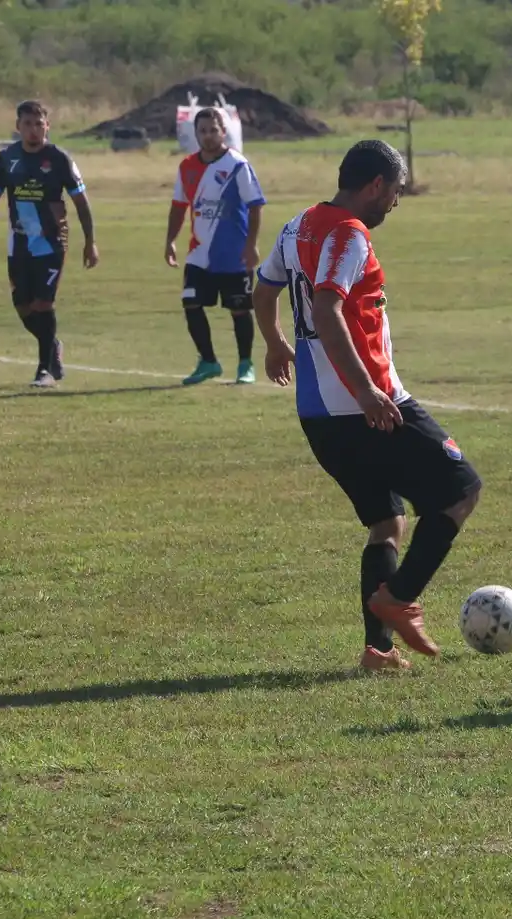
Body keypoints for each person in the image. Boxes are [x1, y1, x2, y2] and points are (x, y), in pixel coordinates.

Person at [251, 140, 481, 671]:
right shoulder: (349, 234)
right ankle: (398, 599)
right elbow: (329, 311)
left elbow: (263, 292)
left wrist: (274, 342)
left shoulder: (297, 225)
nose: (395, 204)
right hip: (367, 406)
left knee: (386, 522)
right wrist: (365, 392)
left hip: (318, 417)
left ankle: (378, 650)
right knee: (460, 490)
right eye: (396, 191)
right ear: (374, 184)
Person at [0, 99, 99, 389]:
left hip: (51, 243)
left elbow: (81, 203)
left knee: (43, 304)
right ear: (18, 127)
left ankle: (45, 370)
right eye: (27, 124)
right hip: (18, 244)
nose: (34, 130)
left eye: (39, 124)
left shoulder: (59, 159)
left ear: (47, 126)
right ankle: (52, 344)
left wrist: (90, 242)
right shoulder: (7, 158)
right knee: (23, 307)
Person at [166, 107, 267, 386]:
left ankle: (246, 364)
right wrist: (170, 241)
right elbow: (178, 206)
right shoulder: (186, 167)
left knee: (239, 309)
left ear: (224, 132)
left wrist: (251, 246)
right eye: (202, 131)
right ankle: (208, 361)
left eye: (213, 130)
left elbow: (256, 206)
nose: (208, 136)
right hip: (199, 254)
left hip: (233, 254)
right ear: (195, 133)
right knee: (191, 302)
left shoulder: (237, 165)